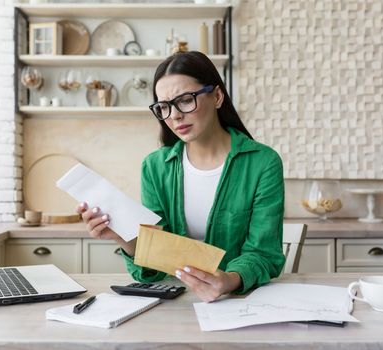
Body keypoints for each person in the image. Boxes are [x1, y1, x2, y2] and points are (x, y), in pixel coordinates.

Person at [77, 51, 285, 302]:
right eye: (163, 107)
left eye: (185, 100)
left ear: (217, 96)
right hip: (176, 303)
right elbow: (153, 270)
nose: (174, 115)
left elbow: (263, 254)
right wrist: (125, 240)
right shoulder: (155, 167)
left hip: (241, 301)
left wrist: (227, 281)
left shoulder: (263, 163)